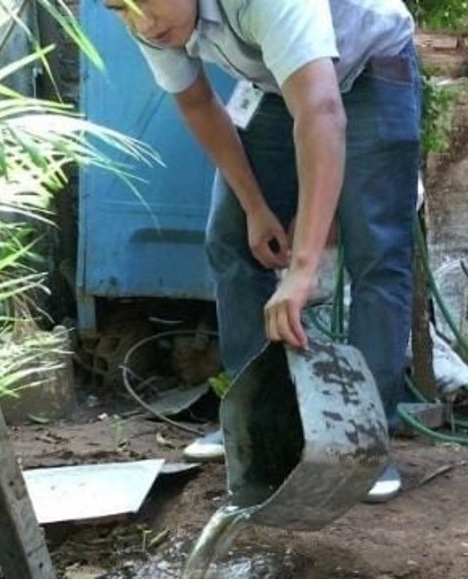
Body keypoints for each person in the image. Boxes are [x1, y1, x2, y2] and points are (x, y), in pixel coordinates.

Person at [103, 0, 422, 502]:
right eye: (119, 7)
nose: (139, 21)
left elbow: (321, 112)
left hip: (368, 71)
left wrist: (302, 268)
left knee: (376, 251)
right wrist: (255, 205)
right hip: (276, 80)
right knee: (230, 239)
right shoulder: (152, 18)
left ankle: (362, 444)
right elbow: (197, 104)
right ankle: (256, 428)